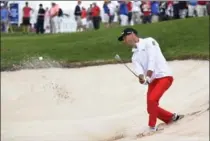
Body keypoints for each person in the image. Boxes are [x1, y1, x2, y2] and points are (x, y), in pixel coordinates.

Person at [117, 27, 184, 132]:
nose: (124, 41)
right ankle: (171, 117)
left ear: (132, 34)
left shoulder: (149, 42)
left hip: (164, 76)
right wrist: (142, 79)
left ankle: (152, 127)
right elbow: (140, 72)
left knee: (152, 100)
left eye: (124, 37)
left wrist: (148, 76)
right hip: (153, 81)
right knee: (150, 108)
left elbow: (152, 60)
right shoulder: (134, 56)